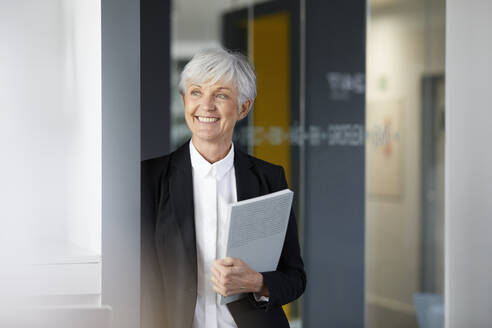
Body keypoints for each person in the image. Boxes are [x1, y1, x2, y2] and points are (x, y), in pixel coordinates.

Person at [141, 48, 306, 328]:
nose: (206, 105)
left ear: (243, 107)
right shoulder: (149, 178)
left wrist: (259, 282)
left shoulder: (268, 179)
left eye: (220, 94)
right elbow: (136, 277)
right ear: (184, 101)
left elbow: (295, 278)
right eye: (195, 92)